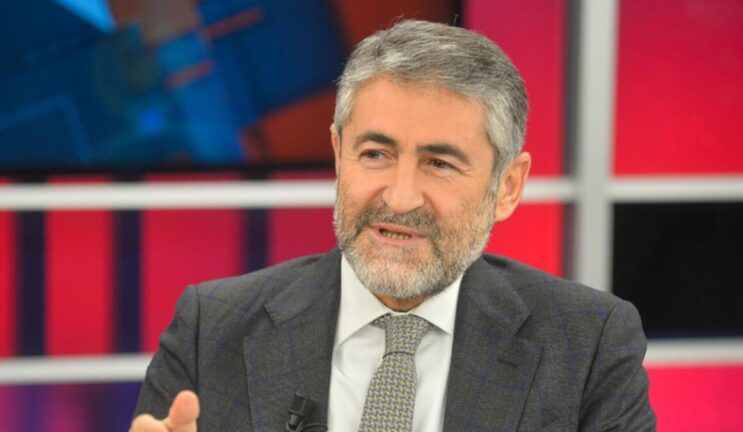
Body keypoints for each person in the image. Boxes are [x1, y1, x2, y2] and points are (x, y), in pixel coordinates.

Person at [132, 20, 656, 431]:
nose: (400, 198)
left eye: (440, 163)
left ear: (508, 187)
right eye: (376, 154)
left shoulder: (589, 344)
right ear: (338, 154)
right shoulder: (211, 328)